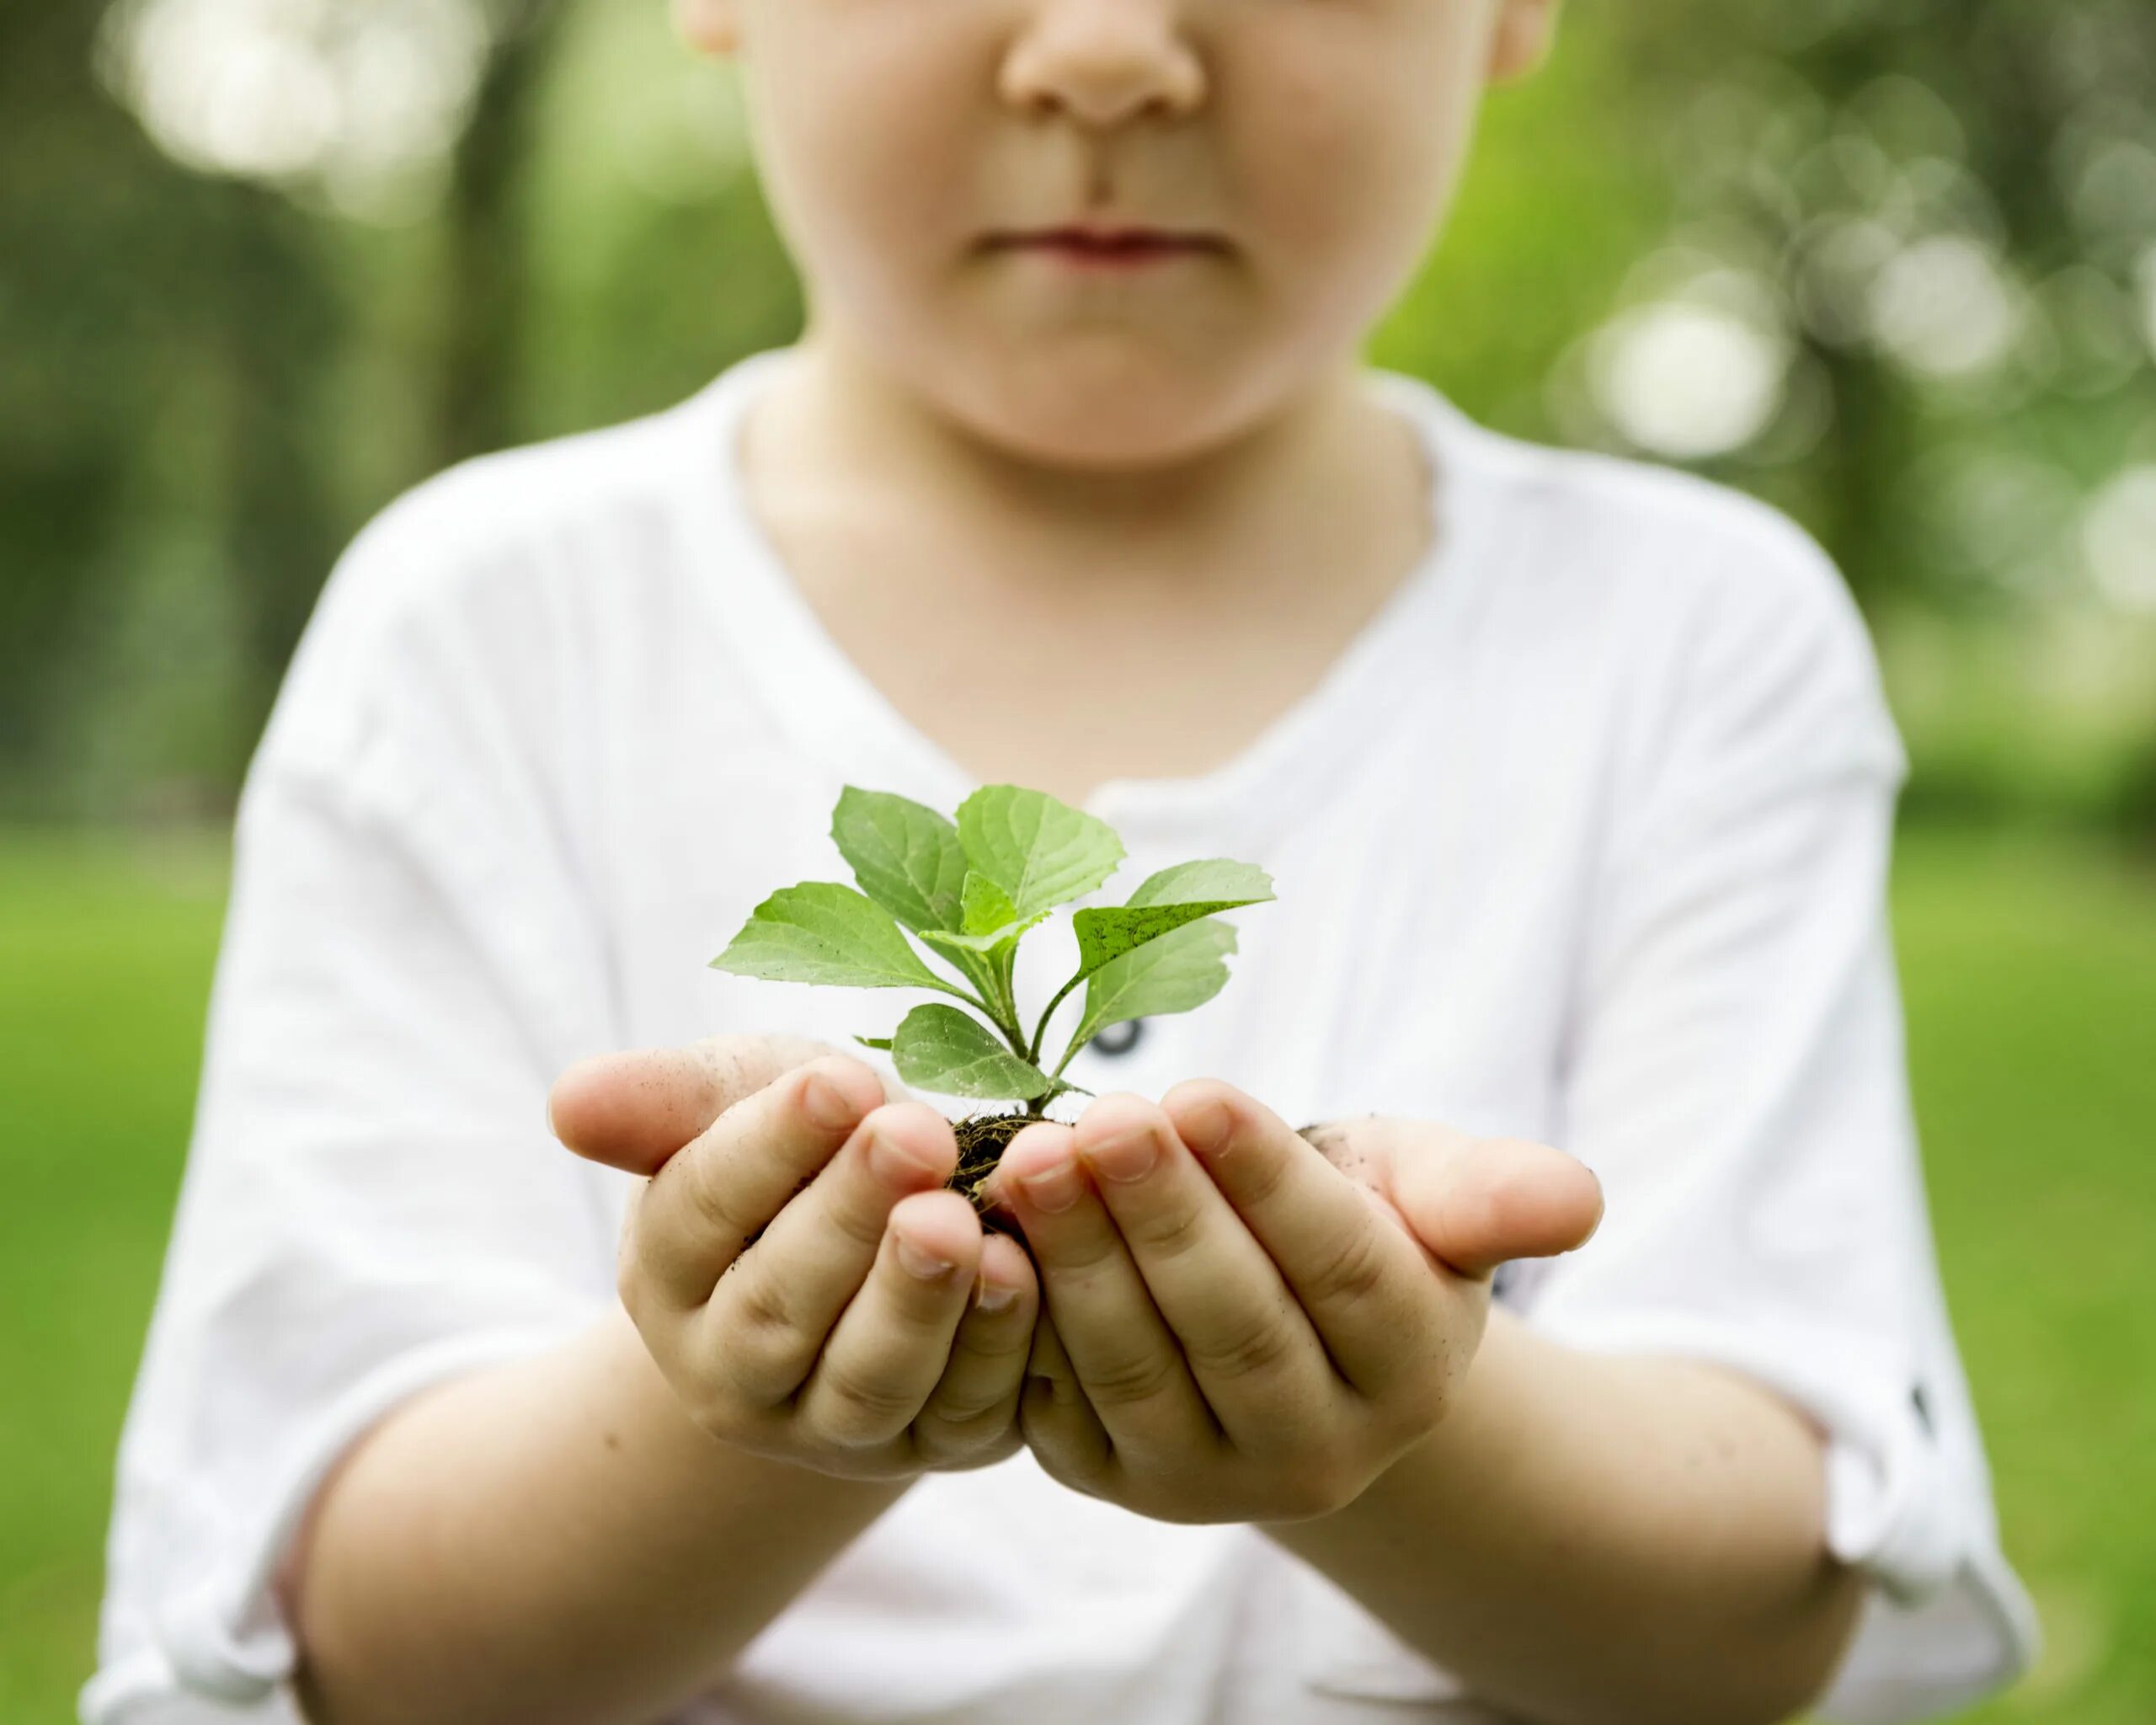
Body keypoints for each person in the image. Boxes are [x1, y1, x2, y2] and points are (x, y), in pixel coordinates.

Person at [83, 1, 2039, 1721]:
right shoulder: (481, 630)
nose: (1107, 47)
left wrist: (1397, 1413)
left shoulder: (1690, 635)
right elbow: (359, 1653)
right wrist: (752, 1400)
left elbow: (1751, 1615)